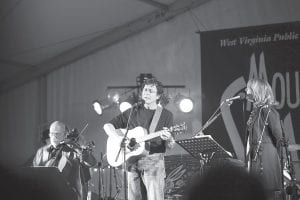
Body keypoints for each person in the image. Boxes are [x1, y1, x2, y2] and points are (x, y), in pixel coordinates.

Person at [103, 78, 175, 200]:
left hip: (153, 160)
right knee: (133, 197)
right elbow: (107, 126)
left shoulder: (166, 115)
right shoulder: (133, 110)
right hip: (131, 159)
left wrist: (168, 139)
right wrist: (118, 138)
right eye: (145, 89)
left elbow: (171, 145)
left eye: (151, 91)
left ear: (158, 96)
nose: (146, 92)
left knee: (155, 197)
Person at [33, 121, 96, 200]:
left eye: (57, 134)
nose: (54, 137)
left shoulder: (72, 149)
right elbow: (36, 175)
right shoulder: (41, 152)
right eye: (52, 134)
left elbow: (92, 162)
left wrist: (77, 148)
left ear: (64, 135)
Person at [245, 78, 283, 199]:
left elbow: (279, 137)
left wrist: (279, 158)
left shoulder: (268, 110)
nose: (246, 90)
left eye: (248, 87)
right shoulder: (256, 110)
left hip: (265, 156)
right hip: (255, 155)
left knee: (266, 192)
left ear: (256, 91)